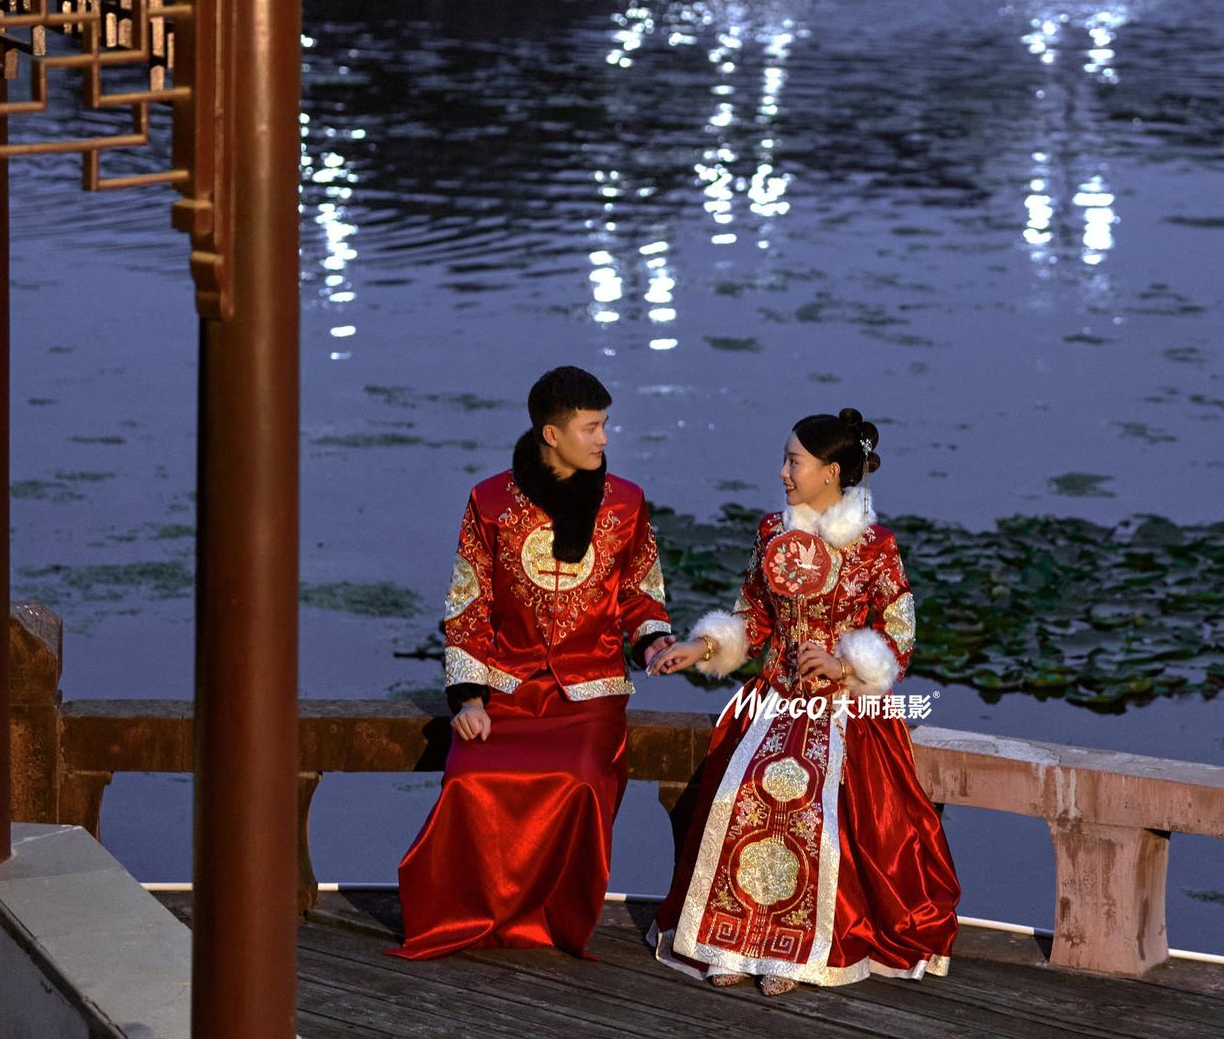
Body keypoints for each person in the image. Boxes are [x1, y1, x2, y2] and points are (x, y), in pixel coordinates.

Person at [646, 408, 959, 995]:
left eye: (794, 461)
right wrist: (701, 646)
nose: (783, 472)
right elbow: (752, 618)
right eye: (786, 460)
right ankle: (735, 941)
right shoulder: (772, 533)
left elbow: (900, 632)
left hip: (845, 710)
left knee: (815, 808)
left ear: (830, 471)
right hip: (774, 700)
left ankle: (794, 953)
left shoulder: (875, 547)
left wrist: (847, 666)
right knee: (742, 793)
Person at [390, 366, 676, 959]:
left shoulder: (626, 502)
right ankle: (469, 915)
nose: (603, 439)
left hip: (591, 690)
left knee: (582, 782)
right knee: (469, 779)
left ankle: (550, 921)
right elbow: (469, 604)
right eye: (591, 427)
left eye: (605, 425)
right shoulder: (490, 501)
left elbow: (639, 593)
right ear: (552, 434)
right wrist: (468, 698)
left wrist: (652, 642)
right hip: (508, 688)